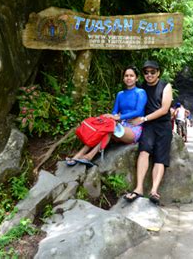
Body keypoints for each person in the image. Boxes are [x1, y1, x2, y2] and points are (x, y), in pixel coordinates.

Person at [66, 66, 147, 167]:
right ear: (123, 78)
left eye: (131, 76)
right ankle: (78, 156)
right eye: (126, 76)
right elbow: (114, 111)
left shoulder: (140, 92)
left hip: (134, 128)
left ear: (136, 78)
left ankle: (89, 156)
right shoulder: (120, 94)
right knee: (105, 128)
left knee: (109, 129)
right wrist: (113, 117)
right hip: (120, 125)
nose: (128, 78)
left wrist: (119, 117)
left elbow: (138, 111)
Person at [124, 60, 173, 205]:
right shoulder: (141, 87)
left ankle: (154, 191)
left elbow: (164, 109)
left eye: (153, 72)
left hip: (163, 125)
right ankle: (139, 188)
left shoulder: (165, 86)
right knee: (144, 151)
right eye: (146, 72)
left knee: (160, 158)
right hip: (148, 126)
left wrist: (143, 118)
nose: (149, 75)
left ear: (158, 72)